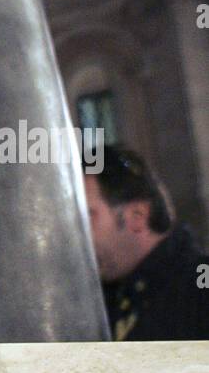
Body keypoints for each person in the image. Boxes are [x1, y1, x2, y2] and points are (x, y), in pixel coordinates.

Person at [83, 144, 209, 341]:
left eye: (87, 215)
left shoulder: (199, 293)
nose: (79, 234)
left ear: (137, 216)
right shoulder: (102, 298)